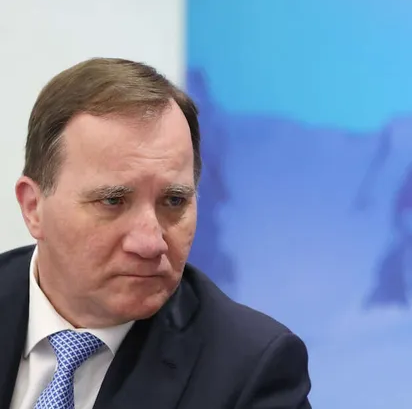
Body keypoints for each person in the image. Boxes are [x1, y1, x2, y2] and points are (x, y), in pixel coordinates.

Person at [0, 58, 312, 409]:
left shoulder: (251, 371)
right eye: (113, 200)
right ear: (33, 207)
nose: (151, 243)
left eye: (174, 201)